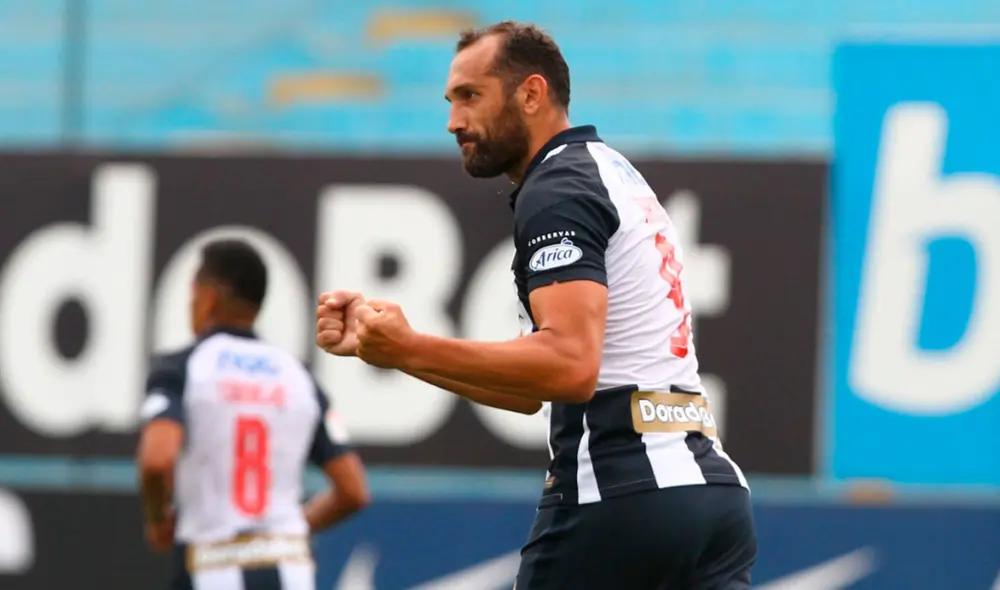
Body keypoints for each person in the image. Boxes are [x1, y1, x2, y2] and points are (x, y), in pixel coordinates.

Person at [316, 20, 756, 590]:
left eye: (470, 96)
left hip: (621, 495)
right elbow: (534, 393)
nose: (454, 122)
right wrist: (401, 354)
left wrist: (412, 345)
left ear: (531, 93)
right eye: (451, 101)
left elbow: (570, 367)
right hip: (710, 496)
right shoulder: (612, 172)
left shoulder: (558, 188)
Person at [137, 239, 370, 590]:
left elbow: (157, 460)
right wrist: (286, 529)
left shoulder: (182, 368)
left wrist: (157, 518)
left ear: (209, 297)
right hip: (290, 568)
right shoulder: (297, 377)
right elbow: (353, 491)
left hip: (212, 564)